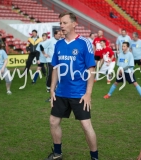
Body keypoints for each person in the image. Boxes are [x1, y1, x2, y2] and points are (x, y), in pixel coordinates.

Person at [45, 12, 98, 160]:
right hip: (61, 92)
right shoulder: (59, 44)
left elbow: (91, 69)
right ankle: (57, 153)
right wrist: (52, 90)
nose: (61, 26)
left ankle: (95, 157)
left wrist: (88, 93)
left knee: (86, 126)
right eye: (60, 23)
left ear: (74, 24)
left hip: (79, 93)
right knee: (53, 121)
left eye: (64, 22)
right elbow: (55, 68)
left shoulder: (84, 42)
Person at [38, 30, 61, 97]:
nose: (60, 35)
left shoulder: (60, 41)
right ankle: (48, 87)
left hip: (58, 61)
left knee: (58, 74)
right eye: (59, 34)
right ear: (55, 35)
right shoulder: (50, 41)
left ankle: (56, 86)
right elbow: (41, 46)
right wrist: (44, 54)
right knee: (51, 74)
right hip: (50, 60)